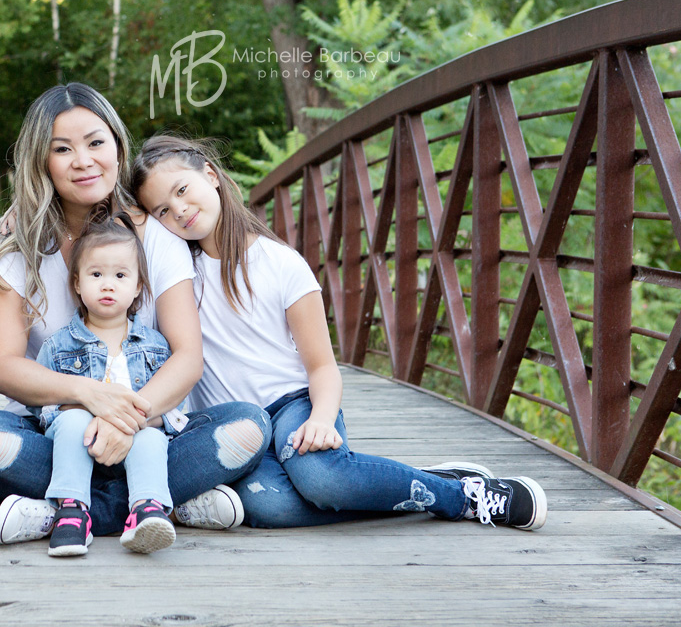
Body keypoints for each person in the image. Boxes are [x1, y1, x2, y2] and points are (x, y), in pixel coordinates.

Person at [132, 134, 548, 531]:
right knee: (266, 504)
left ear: (210, 174)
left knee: (322, 481)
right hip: (237, 423)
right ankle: (418, 485)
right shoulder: (178, 278)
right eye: (163, 210)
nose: (179, 210)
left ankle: (464, 497)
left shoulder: (280, 263)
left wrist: (322, 418)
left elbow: (322, 366)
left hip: (296, 405)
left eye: (182, 190)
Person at [0, 83, 270, 546]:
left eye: (95, 143)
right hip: (59, 430)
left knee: (249, 423)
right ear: (42, 161)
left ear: (118, 149)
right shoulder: (15, 242)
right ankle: (159, 502)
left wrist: (129, 419)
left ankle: (64, 510)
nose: (83, 160)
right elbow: (3, 367)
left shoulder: (156, 236)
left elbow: (187, 357)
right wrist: (92, 397)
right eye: (62, 149)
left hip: (150, 429)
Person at [34, 212, 184, 557]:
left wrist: (127, 420)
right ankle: (72, 510)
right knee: (70, 420)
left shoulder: (156, 346)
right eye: (96, 274)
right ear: (77, 283)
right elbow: (44, 411)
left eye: (120, 275)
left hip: (134, 441)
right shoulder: (58, 346)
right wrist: (90, 414)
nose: (107, 284)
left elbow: (175, 412)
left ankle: (146, 510)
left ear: (137, 288)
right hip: (77, 445)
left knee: (150, 435)